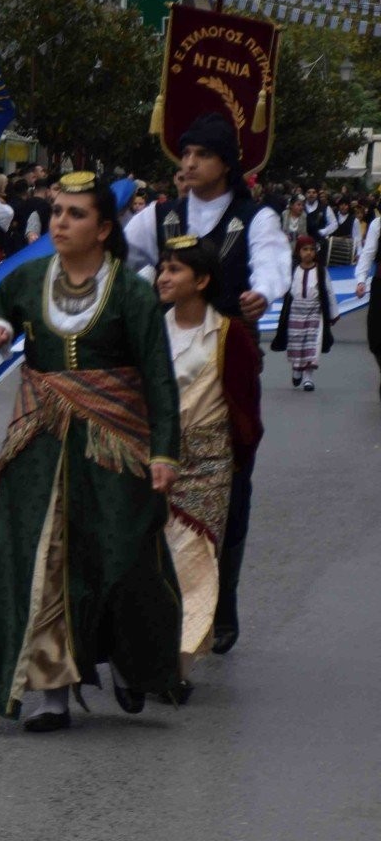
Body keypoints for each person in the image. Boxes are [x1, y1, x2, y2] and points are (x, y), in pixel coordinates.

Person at [0, 173, 184, 732]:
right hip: (42, 441)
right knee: (43, 559)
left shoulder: (131, 294)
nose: (59, 221)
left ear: (104, 229)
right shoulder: (29, 279)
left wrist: (164, 453)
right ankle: (51, 693)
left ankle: (130, 661)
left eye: (75, 214)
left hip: (116, 445)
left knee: (123, 559)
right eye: (57, 211)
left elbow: (159, 378)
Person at [124, 113, 288, 657]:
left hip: (225, 355)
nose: (188, 164)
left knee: (231, 481)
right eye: (184, 154)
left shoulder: (253, 216)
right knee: (154, 473)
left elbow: (270, 262)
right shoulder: (161, 215)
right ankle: (161, 603)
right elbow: (122, 259)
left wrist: (261, 293)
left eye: (201, 155)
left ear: (226, 162)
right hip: (165, 353)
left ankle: (223, 600)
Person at [154, 236, 262, 692]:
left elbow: (246, 408)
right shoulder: (150, 329)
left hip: (210, 465)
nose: (163, 277)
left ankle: (176, 667)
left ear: (201, 280)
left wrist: (235, 463)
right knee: (154, 563)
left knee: (192, 562)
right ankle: (148, 654)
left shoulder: (228, 334)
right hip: (156, 461)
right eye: (162, 268)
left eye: (175, 270)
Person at [270, 234, 337, 392]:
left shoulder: (321, 271)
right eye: (305, 249)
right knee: (296, 342)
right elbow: (283, 287)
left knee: (312, 343)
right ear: (298, 252)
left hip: (314, 311)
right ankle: (296, 369)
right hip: (295, 312)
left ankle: (308, 377)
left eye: (312, 250)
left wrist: (333, 314)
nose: (308, 253)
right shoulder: (293, 270)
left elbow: (329, 291)